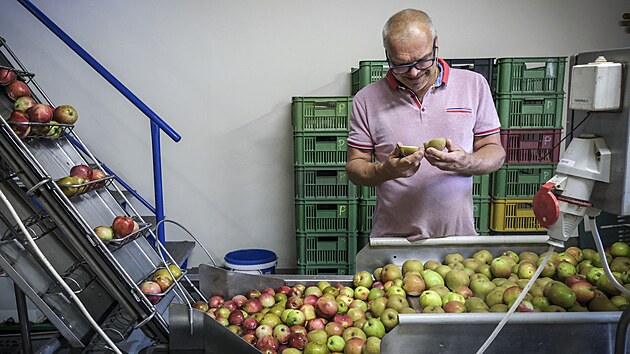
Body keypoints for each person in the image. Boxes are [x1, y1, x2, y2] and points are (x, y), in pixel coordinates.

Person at [346, 9, 505, 241]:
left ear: (436, 45)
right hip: (393, 240)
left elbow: (495, 151)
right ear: (387, 55)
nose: (413, 72)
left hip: (458, 238)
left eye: (422, 61)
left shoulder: (473, 85)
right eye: (400, 64)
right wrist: (385, 171)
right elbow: (355, 166)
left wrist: (466, 161)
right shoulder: (366, 99)